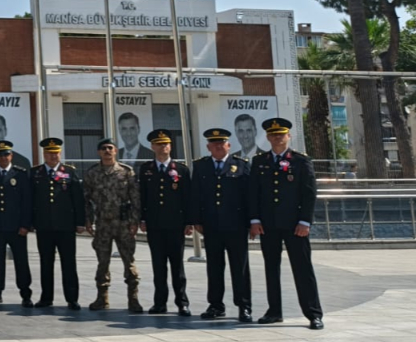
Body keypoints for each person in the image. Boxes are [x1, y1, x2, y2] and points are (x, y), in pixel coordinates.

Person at [249, 117, 323, 330]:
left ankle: (313, 313)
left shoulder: (300, 161)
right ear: (267, 137)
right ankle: (274, 311)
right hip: (268, 225)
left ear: (288, 136)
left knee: (303, 269)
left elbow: (309, 194)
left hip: (295, 225)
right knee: (271, 269)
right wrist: (254, 220)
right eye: (273, 135)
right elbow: (254, 193)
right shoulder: (260, 162)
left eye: (281, 135)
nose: (277, 138)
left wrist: (305, 221)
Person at [192, 128, 253, 323]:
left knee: (240, 267)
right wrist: (197, 220)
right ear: (208, 147)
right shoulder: (201, 167)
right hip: (211, 225)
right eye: (214, 143)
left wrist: (253, 221)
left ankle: (244, 306)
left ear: (229, 145)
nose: (218, 146)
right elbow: (196, 194)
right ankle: (216, 305)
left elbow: (249, 197)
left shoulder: (241, 165)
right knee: (214, 267)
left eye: (222, 143)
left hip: (236, 225)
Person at [138, 129, 192, 316]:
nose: (163, 147)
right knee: (158, 265)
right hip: (155, 224)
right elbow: (142, 196)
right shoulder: (146, 170)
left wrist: (189, 222)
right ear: (153, 147)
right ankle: (159, 302)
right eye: (159, 144)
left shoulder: (181, 170)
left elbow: (187, 198)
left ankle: (182, 302)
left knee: (178, 266)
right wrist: (142, 219)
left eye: (166, 143)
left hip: (175, 224)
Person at [85, 138, 143, 313]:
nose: (107, 151)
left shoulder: (126, 172)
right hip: (102, 223)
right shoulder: (92, 173)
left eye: (110, 148)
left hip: (123, 223)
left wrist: (134, 221)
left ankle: (133, 300)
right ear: (98, 152)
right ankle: (102, 298)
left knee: (129, 262)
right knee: (102, 262)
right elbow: (86, 199)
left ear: (116, 151)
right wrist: (88, 220)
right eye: (103, 148)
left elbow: (135, 199)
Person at [30, 138, 85, 310]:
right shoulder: (35, 173)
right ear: (44, 154)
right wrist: (31, 222)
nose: (53, 156)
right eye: (49, 153)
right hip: (44, 226)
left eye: (56, 153)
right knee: (46, 263)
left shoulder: (69, 172)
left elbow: (78, 199)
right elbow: (30, 201)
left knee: (69, 263)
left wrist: (80, 222)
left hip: (65, 226)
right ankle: (46, 298)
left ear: (60, 154)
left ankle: (72, 298)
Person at [0, 140, 33, 307]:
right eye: (0, 155)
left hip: (17, 228)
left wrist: (26, 225)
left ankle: (26, 294)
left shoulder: (21, 174)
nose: (3, 157)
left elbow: (27, 203)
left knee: (21, 261)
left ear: (11, 155)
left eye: (6, 154)